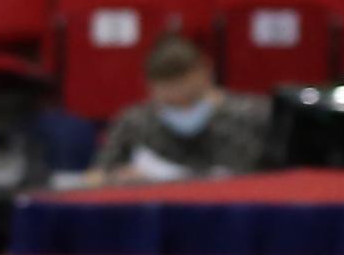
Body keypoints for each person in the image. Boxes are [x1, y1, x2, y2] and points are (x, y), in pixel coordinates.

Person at [90, 35, 270, 184]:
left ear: (206, 73)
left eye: (190, 100)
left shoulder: (255, 115)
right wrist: (116, 179)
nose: (182, 109)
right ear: (150, 88)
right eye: (171, 103)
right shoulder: (134, 123)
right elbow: (95, 177)